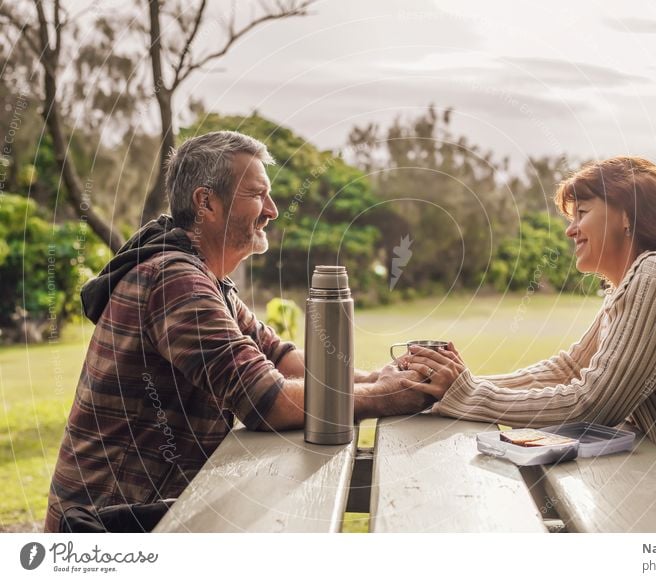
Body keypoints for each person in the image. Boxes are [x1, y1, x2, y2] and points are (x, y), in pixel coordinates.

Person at [45, 131, 425, 532]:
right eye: (258, 195)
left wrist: (374, 377)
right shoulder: (174, 280)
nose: (273, 210)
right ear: (207, 202)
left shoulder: (204, 278)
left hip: (157, 511)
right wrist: (385, 396)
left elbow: (279, 356)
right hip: (108, 530)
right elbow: (266, 400)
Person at [400, 156, 656, 533]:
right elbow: (569, 369)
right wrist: (462, 385)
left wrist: (470, 394)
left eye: (582, 213)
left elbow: (594, 402)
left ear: (625, 215)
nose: (571, 230)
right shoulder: (637, 283)